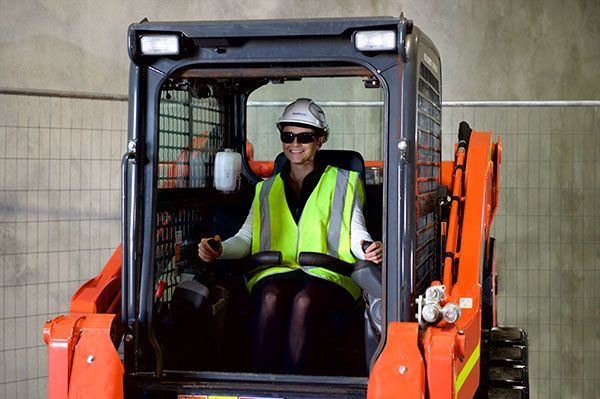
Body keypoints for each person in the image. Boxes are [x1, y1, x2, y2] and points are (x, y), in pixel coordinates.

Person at [198, 98, 382, 375]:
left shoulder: (344, 181)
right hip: (275, 272)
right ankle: (262, 386)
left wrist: (367, 248)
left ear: (321, 139)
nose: (295, 144)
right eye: (288, 136)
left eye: (304, 136)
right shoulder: (266, 188)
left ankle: (294, 386)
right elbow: (246, 239)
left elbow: (357, 233)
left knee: (304, 300)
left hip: (329, 276)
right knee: (270, 295)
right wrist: (219, 248)